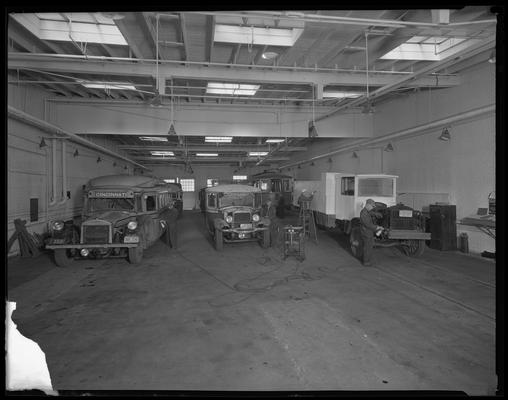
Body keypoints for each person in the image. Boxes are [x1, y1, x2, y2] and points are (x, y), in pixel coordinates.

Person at [359, 198, 383, 266]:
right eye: (372, 206)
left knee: (369, 246)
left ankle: (367, 260)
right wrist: (377, 227)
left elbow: (371, 213)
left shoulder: (366, 211)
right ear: (368, 205)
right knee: (367, 247)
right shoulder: (364, 213)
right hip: (366, 232)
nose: (372, 208)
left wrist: (376, 214)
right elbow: (368, 224)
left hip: (368, 232)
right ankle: (366, 262)